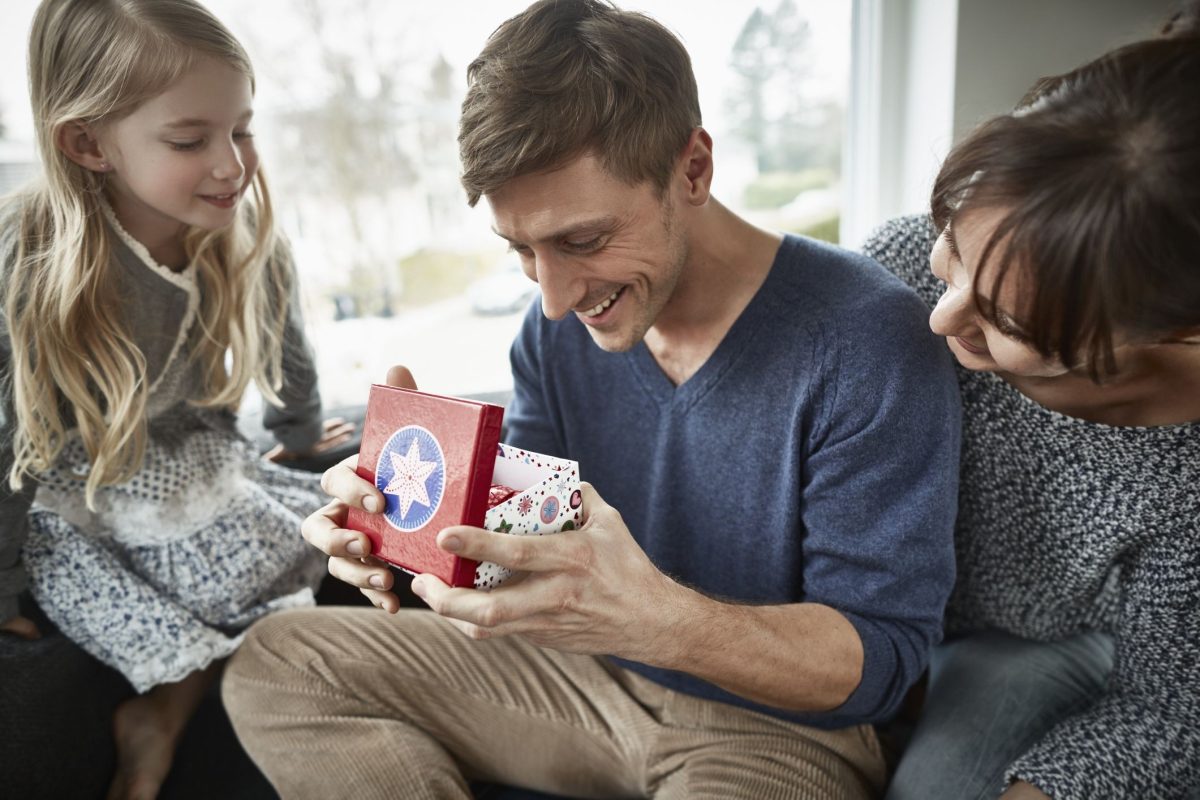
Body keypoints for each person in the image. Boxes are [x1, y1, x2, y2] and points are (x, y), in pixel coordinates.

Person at [222, 2, 961, 798]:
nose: (552, 296)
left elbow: (881, 663)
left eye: (581, 242)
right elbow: (521, 557)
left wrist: (655, 616)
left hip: (776, 729)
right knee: (277, 665)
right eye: (522, 252)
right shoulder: (557, 333)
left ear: (694, 170)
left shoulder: (864, 339)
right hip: (571, 678)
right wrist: (408, 524)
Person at [0, 1, 352, 797]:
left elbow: (282, 320)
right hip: (82, 492)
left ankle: (186, 701)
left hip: (197, 459)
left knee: (317, 528)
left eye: (243, 129)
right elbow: (6, 438)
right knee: (232, 573)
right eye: (192, 141)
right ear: (88, 144)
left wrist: (297, 429)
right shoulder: (36, 261)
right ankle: (161, 710)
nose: (233, 164)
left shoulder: (228, 222)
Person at [863, 28, 1200, 800]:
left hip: (1053, 641)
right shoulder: (898, 273)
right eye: (952, 249)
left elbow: (1171, 711)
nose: (942, 320)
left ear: (1164, 333)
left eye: (1006, 325)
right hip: (882, 618)